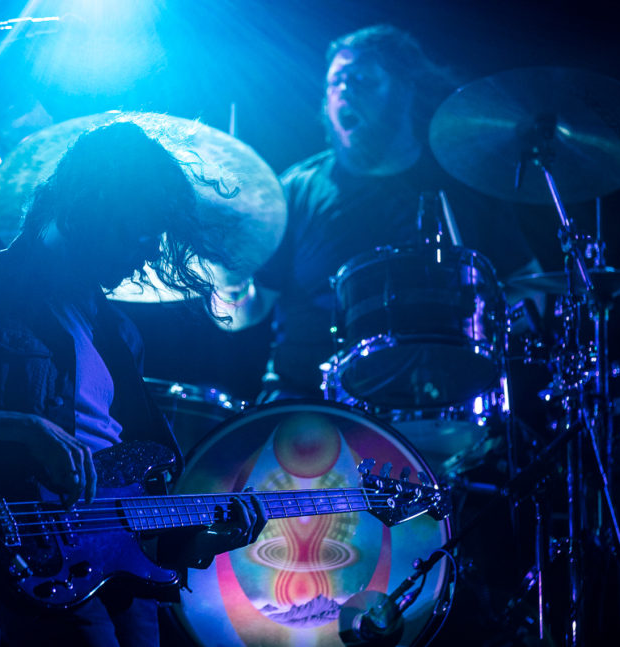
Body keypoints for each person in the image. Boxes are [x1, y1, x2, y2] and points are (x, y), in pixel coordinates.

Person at [0, 121, 266, 647]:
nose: (145, 254)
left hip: (122, 565)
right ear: (93, 203)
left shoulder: (118, 331)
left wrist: (208, 532)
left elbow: (138, 471)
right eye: (137, 231)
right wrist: (20, 427)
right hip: (32, 551)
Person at [213, 24, 543, 401]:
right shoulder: (294, 191)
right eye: (335, 81)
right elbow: (241, 316)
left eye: (362, 79)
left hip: (441, 401)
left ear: (404, 90)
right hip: (307, 405)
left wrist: (487, 323)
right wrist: (228, 284)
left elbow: (530, 289)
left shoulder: (463, 187)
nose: (345, 90)